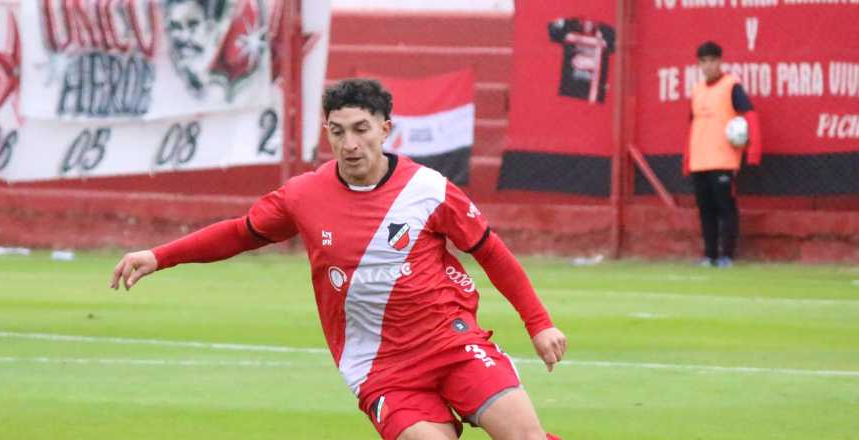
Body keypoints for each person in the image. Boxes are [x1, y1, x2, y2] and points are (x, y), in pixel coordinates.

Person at [110, 79, 567, 440]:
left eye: (360, 129)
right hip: (382, 368)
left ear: (386, 129)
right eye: (337, 131)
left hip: (453, 345)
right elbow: (240, 232)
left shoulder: (428, 189)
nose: (349, 143)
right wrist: (159, 256)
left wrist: (539, 323)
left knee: (524, 435)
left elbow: (491, 252)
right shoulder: (304, 195)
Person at [683, 41, 763, 268]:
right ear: (699, 64)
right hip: (700, 160)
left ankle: (727, 255)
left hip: (723, 160)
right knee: (705, 210)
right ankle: (709, 256)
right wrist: (687, 159)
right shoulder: (697, 90)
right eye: (704, 62)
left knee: (725, 208)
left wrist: (753, 149)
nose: (708, 66)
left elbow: (750, 115)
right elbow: (692, 126)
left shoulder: (731, 86)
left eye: (712, 61)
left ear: (720, 62)